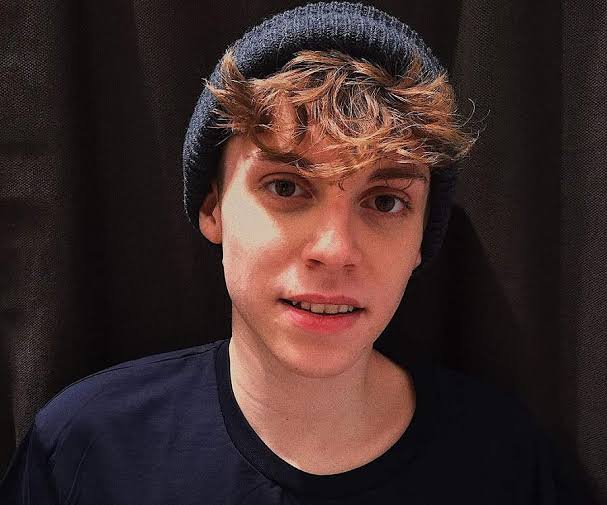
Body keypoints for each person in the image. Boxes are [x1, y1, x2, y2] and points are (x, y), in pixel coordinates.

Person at [0, 1, 598, 503]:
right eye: (286, 188)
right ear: (213, 207)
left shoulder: (506, 466)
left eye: (385, 201)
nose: (335, 250)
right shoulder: (85, 449)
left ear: (422, 238)